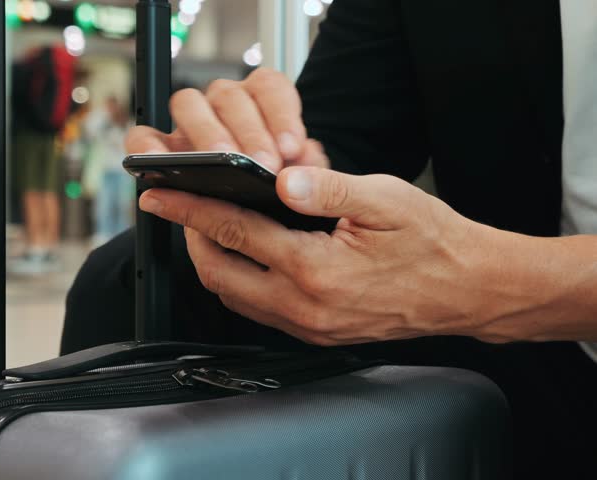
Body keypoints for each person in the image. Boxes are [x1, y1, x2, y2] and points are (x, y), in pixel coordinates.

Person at [62, 0, 597, 477]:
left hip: (535, 307)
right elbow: (344, 135)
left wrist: (490, 283)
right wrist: (273, 154)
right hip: (529, 356)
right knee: (136, 274)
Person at [10, 45, 76, 275]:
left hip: (29, 136)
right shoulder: (54, 68)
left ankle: (36, 248)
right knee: (48, 191)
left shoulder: (27, 67)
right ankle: (49, 247)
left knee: (31, 190)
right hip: (52, 137)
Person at [82, 96, 135, 246]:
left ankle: (121, 235)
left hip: (122, 172)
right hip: (106, 172)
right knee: (103, 205)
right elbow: (89, 127)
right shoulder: (103, 124)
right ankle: (103, 233)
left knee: (122, 205)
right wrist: (103, 113)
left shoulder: (128, 125)